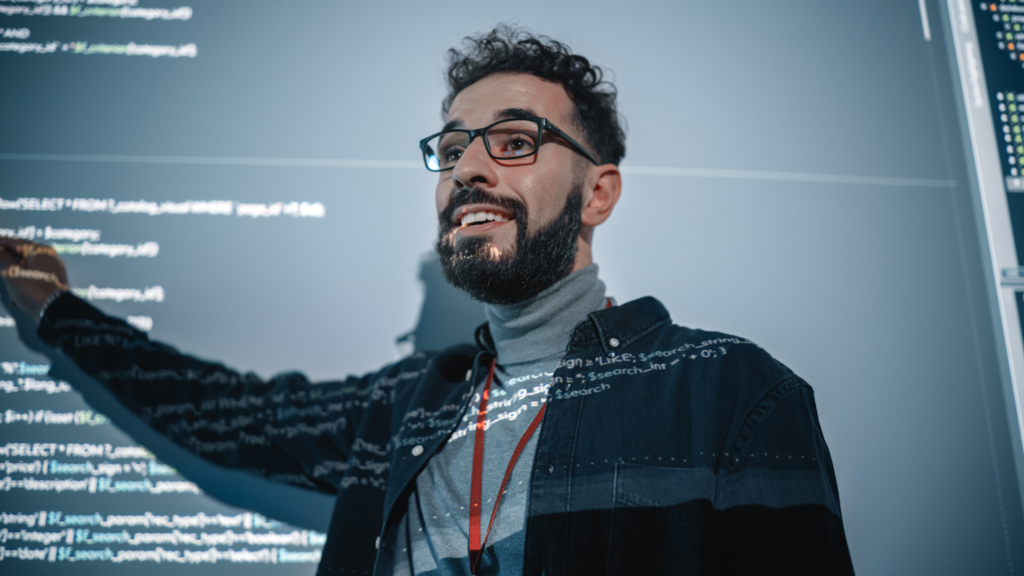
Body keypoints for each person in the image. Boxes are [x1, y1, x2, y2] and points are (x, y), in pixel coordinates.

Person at [0, 25, 854, 576]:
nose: (468, 171)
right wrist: (60, 312)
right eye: (450, 152)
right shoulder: (404, 406)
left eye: (514, 143)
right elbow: (222, 412)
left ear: (599, 194)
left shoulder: (732, 391)